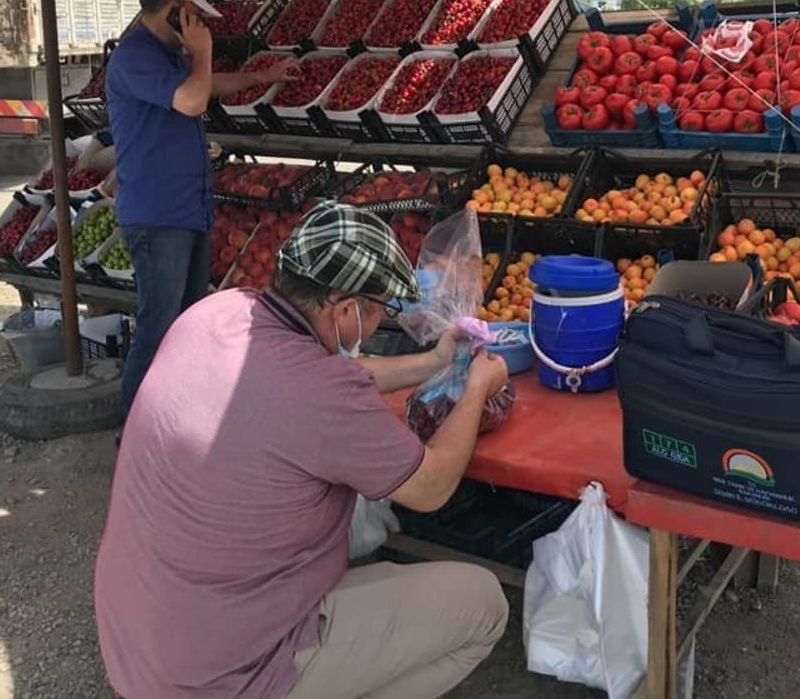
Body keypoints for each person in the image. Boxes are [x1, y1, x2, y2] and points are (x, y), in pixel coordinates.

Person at [94, 201, 511, 699]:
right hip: (222, 676)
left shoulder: (217, 312)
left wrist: (435, 360)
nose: (381, 323)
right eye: (381, 310)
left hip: (139, 644)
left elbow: (335, 377)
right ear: (345, 309)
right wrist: (476, 389)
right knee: (485, 604)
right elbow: (432, 485)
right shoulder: (321, 391)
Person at [105, 0, 299, 412]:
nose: (202, 25)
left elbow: (205, 88)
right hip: (158, 216)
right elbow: (192, 99)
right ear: (175, 12)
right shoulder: (137, 55)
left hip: (187, 210)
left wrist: (262, 78)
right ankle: (136, 431)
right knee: (158, 325)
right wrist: (203, 52)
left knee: (189, 323)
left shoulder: (169, 53)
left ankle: (181, 415)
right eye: (194, 15)